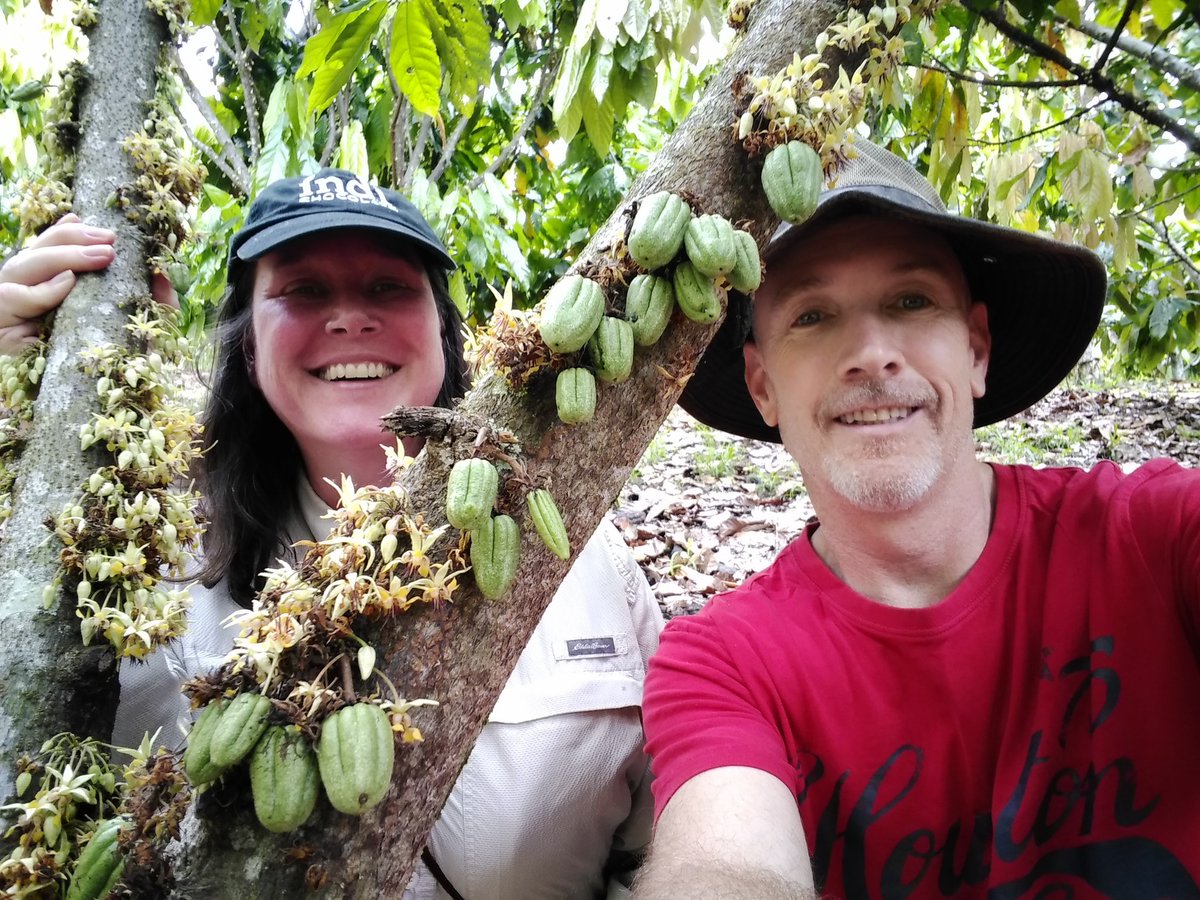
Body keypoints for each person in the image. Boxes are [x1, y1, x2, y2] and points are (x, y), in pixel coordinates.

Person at [0, 169, 664, 899]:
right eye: (303, 290)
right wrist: (25, 410)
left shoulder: (581, 560)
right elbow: (29, 764)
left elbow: (659, 844)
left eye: (388, 287)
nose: (349, 318)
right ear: (249, 347)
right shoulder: (145, 567)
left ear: (446, 335)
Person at [632, 140, 1200, 898]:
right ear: (763, 386)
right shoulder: (722, 664)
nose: (870, 353)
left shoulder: (1151, 536)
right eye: (811, 315)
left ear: (975, 347)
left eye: (910, 301)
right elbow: (725, 865)